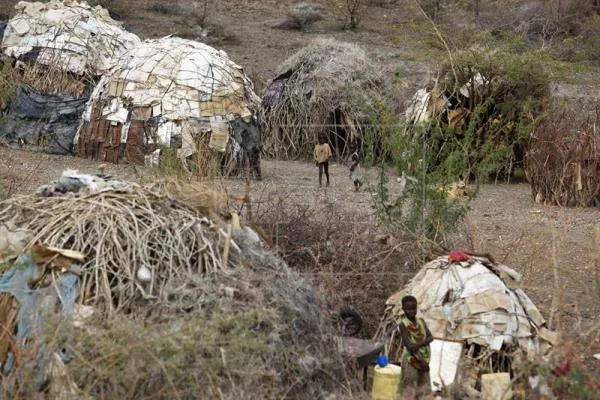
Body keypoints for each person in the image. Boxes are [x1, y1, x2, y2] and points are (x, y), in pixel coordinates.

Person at [398, 295, 433, 399]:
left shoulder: (421, 322)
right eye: (408, 309)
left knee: (424, 389)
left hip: (425, 358)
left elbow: (431, 337)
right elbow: (409, 347)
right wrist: (421, 359)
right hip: (411, 360)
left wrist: (417, 345)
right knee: (409, 388)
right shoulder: (403, 324)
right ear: (403, 309)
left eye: (414, 308)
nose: (412, 311)